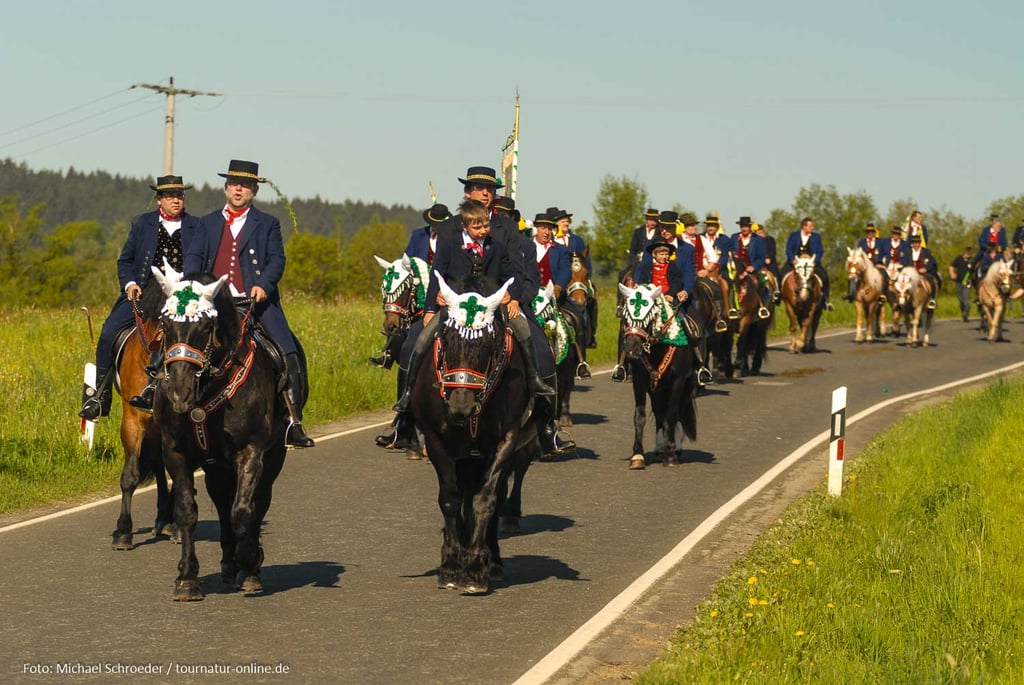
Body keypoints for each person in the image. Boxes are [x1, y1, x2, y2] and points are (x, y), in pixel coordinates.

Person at [390, 199, 557, 450]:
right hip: (455, 306)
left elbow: (511, 273)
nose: (483, 231)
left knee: (524, 331)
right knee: (420, 340)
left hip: (492, 306)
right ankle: (405, 407)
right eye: (478, 227)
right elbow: (438, 273)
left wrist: (512, 296)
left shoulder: (496, 245)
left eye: (486, 226)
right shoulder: (450, 243)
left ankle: (537, 388)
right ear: (465, 226)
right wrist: (432, 306)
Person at [183, 159, 314, 448]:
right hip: (213, 304)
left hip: (254, 303)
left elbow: (277, 260)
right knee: (179, 343)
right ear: (226, 188)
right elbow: (193, 257)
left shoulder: (267, 223)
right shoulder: (207, 223)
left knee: (287, 350)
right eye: (233, 184)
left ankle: (293, 420)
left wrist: (263, 285)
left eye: (244, 185)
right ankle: (166, 404)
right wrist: (193, 284)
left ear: (254, 190)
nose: (238, 189)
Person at [79, 175, 200, 420]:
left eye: (179, 195)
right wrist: (130, 284)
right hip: (144, 291)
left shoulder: (196, 226)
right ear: (159, 200)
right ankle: (100, 397)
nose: (176, 200)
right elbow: (125, 261)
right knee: (109, 331)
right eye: (170, 196)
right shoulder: (142, 223)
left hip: (182, 296)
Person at [549, 206, 598, 348]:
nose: (566, 223)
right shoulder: (551, 241)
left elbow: (586, 262)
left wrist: (587, 278)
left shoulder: (577, 240)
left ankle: (590, 334)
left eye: (567, 221)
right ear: (556, 224)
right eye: (563, 221)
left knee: (592, 298)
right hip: (558, 280)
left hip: (578, 279)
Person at [723, 216, 769, 319]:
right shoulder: (734, 237)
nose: (744, 228)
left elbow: (761, 257)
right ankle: (732, 307)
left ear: (750, 227)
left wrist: (753, 266)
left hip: (751, 268)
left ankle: (762, 306)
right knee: (729, 283)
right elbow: (730, 251)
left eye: (746, 226)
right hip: (736, 269)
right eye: (742, 226)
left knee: (760, 282)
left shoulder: (758, 240)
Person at [783, 217, 833, 311]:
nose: (812, 228)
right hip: (796, 261)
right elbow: (788, 249)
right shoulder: (794, 235)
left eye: (812, 226)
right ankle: (779, 295)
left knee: (824, 276)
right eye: (810, 226)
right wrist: (792, 260)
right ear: (803, 226)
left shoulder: (816, 237)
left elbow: (820, 251)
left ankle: (826, 300)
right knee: (781, 274)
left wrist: (815, 261)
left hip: (811, 262)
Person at [901, 233, 939, 309]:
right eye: (914, 243)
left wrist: (926, 269)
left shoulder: (926, 252)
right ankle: (901, 300)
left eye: (917, 242)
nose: (916, 244)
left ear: (920, 243)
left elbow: (932, 263)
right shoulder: (907, 252)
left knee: (933, 281)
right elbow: (904, 263)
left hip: (923, 274)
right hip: (911, 275)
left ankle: (932, 300)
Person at [948, 246, 973, 322]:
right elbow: (951, 266)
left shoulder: (972, 260)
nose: (968, 254)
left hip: (967, 282)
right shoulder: (959, 258)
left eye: (969, 252)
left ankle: (965, 313)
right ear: (964, 252)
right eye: (967, 252)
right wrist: (952, 273)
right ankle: (963, 311)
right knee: (961, 299)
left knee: (966, 298)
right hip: (958, 282)